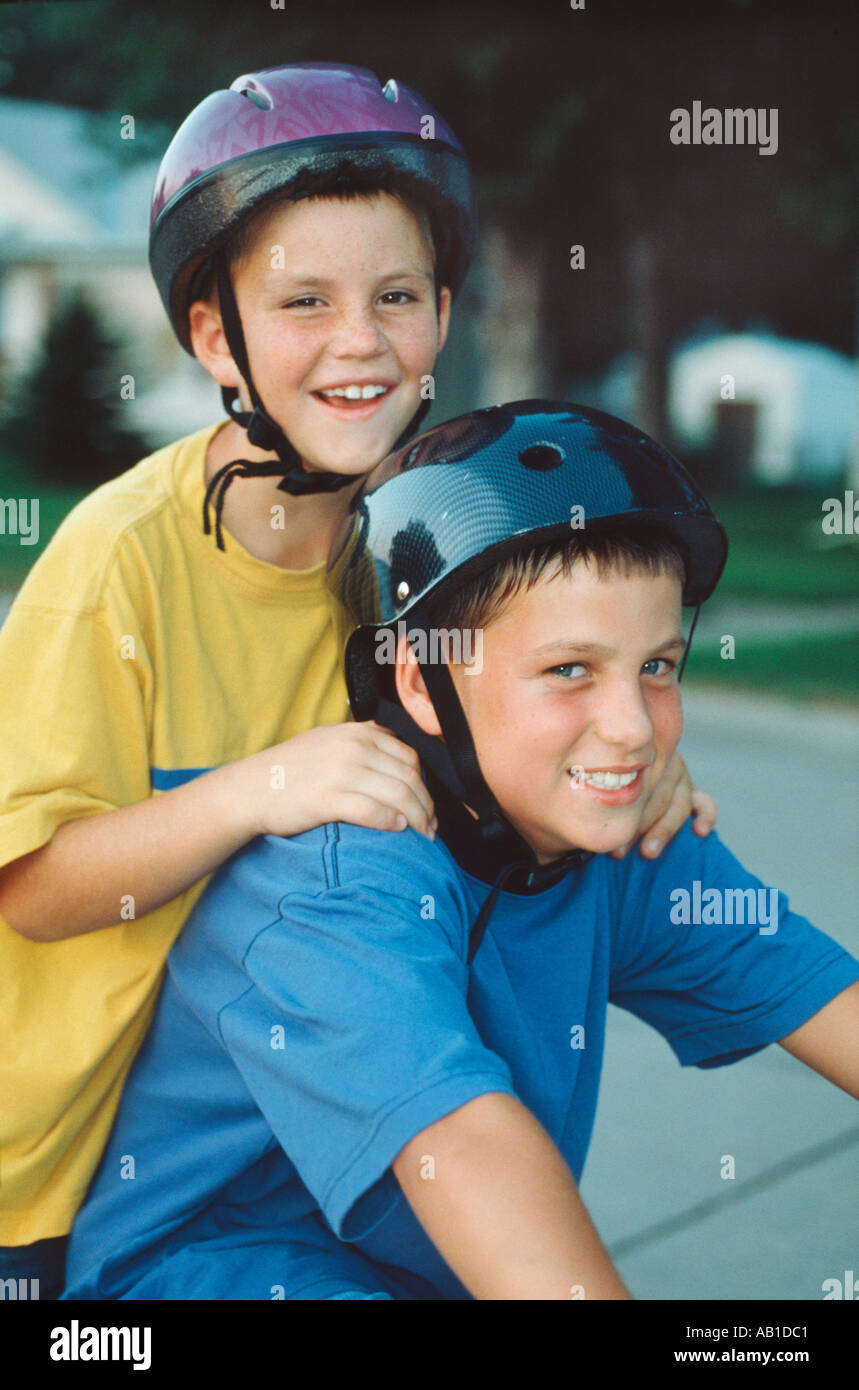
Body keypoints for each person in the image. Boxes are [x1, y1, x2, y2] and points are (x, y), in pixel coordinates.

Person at [0, 65, 707, 1300]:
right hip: (44, 1162)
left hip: (253, 1154)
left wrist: (635, 739)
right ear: (215, 332)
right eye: (302, 301)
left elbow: (526, 718)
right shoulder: (119, 562)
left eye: (396, 295)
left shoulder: (426, 545)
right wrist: (253, 787)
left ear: (443, 310)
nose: (359, 342)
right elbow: (34, 889)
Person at [61, 401, 859, 1302]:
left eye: (657, 667)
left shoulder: (622, 839)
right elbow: (463, 1142)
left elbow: (831, 1002)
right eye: (569, 671)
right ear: (420, 682)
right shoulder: (336, 882)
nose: (632, 727)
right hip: (197, 1280)